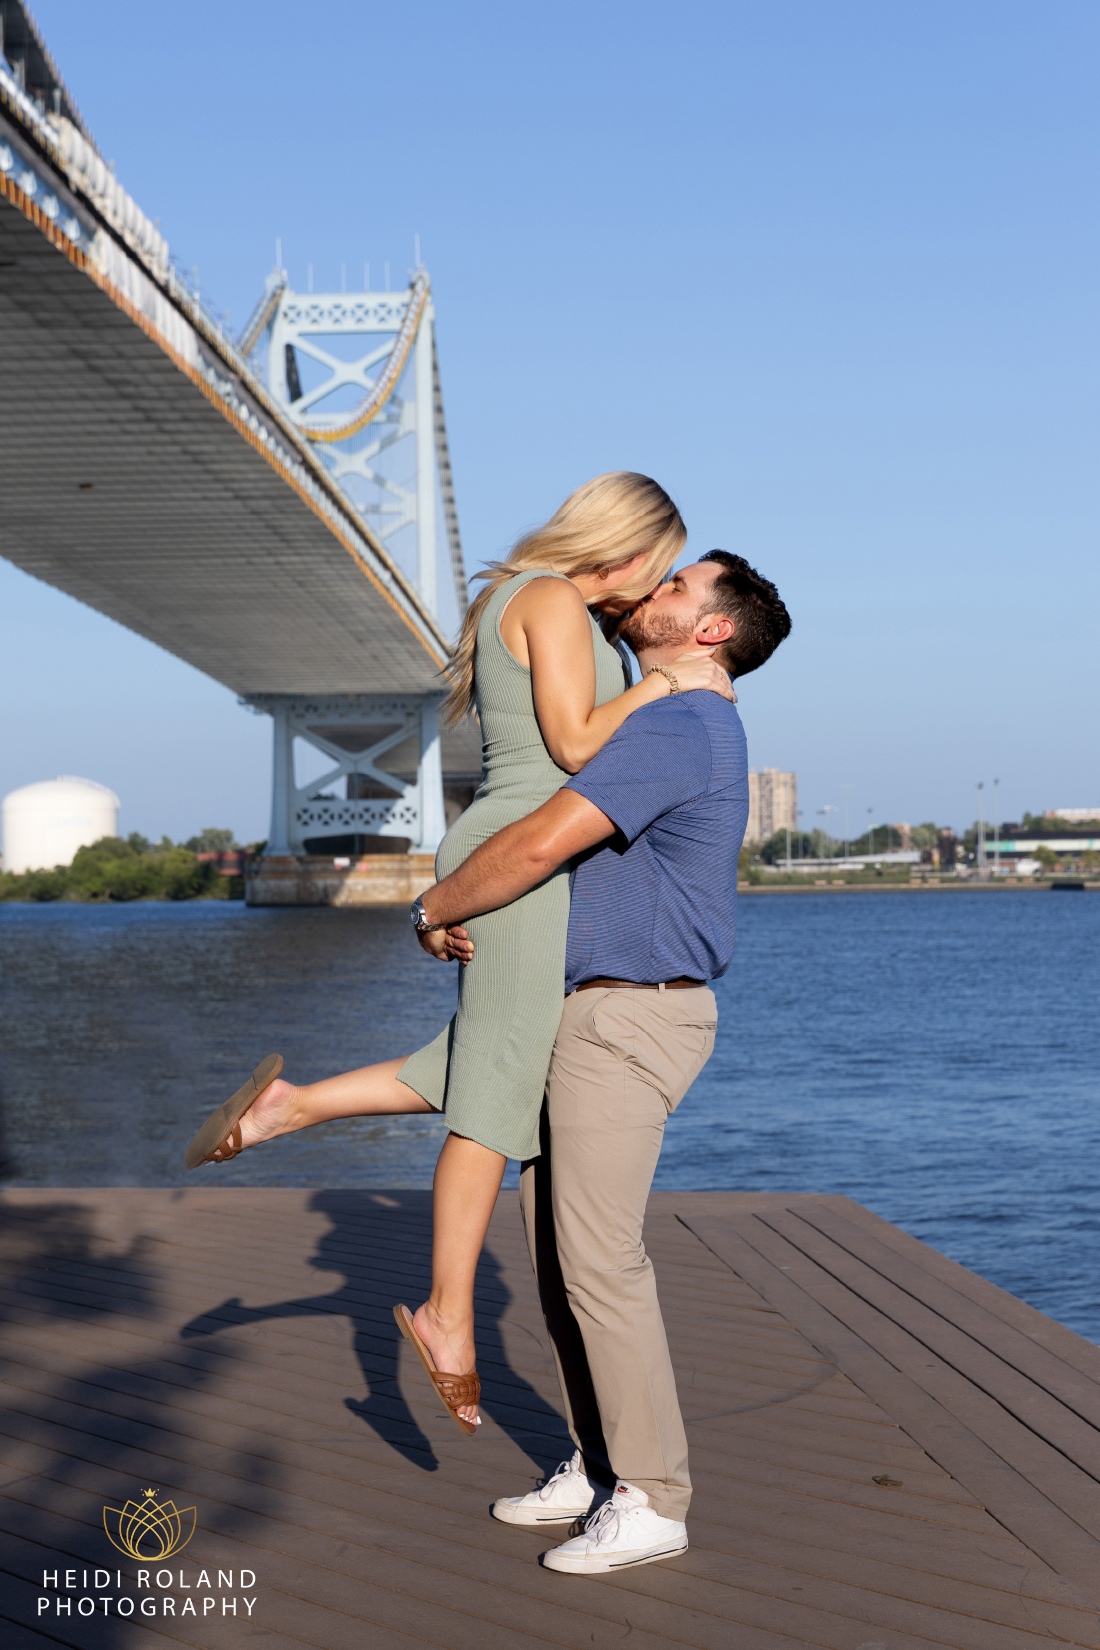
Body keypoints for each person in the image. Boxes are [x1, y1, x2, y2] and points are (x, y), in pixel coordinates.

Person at [183, 472, 733, 1434]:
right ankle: (446, 1315)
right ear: (631, 547)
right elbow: (569, 746)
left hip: (503, 841)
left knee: (476, 1055)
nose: (656, 590)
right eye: (663, 568)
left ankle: (288, 1106)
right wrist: (663, 683)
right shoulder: (556, 599)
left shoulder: (528, 597)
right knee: (497, 1092)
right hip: (520, 849)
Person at [413, 551, 791, 1572]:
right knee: (555, 1256)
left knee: (600, 1263)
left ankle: (654, 1497)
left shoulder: (679, 725)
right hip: (596, 1011)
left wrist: (437, 904)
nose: (649, 591)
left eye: (675, 588)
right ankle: (595, 1462)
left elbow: (543, 839)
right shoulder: (668, 714)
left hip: (629, 1017)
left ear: (710, 630)